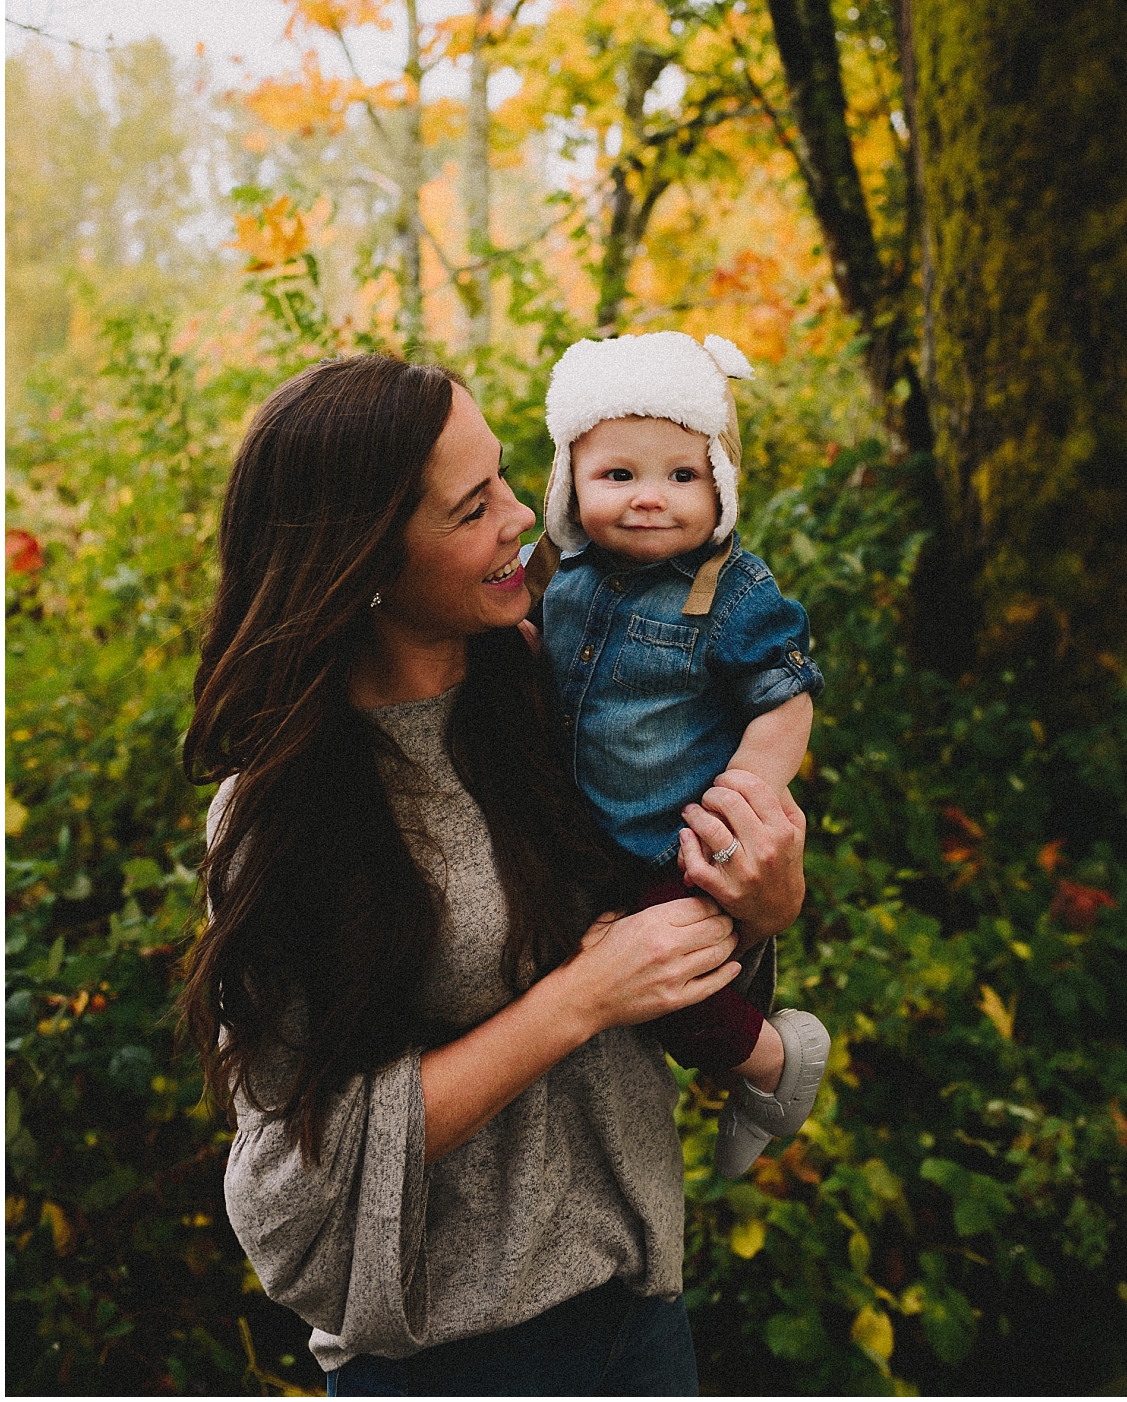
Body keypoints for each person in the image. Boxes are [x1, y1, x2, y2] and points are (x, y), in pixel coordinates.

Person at [178, 355, 811, 1393]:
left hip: (645, 1328)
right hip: (447, 1366)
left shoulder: (562, 697)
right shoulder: (285, 813)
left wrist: (763, 908)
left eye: (510, 475)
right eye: (474, 507)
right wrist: (577, 1000)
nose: (525, 512)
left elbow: (662, 930)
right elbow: (291, 1171)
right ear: (364, 560)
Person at [530, 329, 830, 1178]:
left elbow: (786, 701)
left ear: (722, 484)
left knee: (675, 995)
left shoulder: (732, 595)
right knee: (577, 960)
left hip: (680, 844)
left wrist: (743, 799)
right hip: (584, 837)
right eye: (617, 476)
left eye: (681, 475)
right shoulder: (562, 575)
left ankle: (774, 1066)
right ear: (570, 483)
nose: (649, 498)